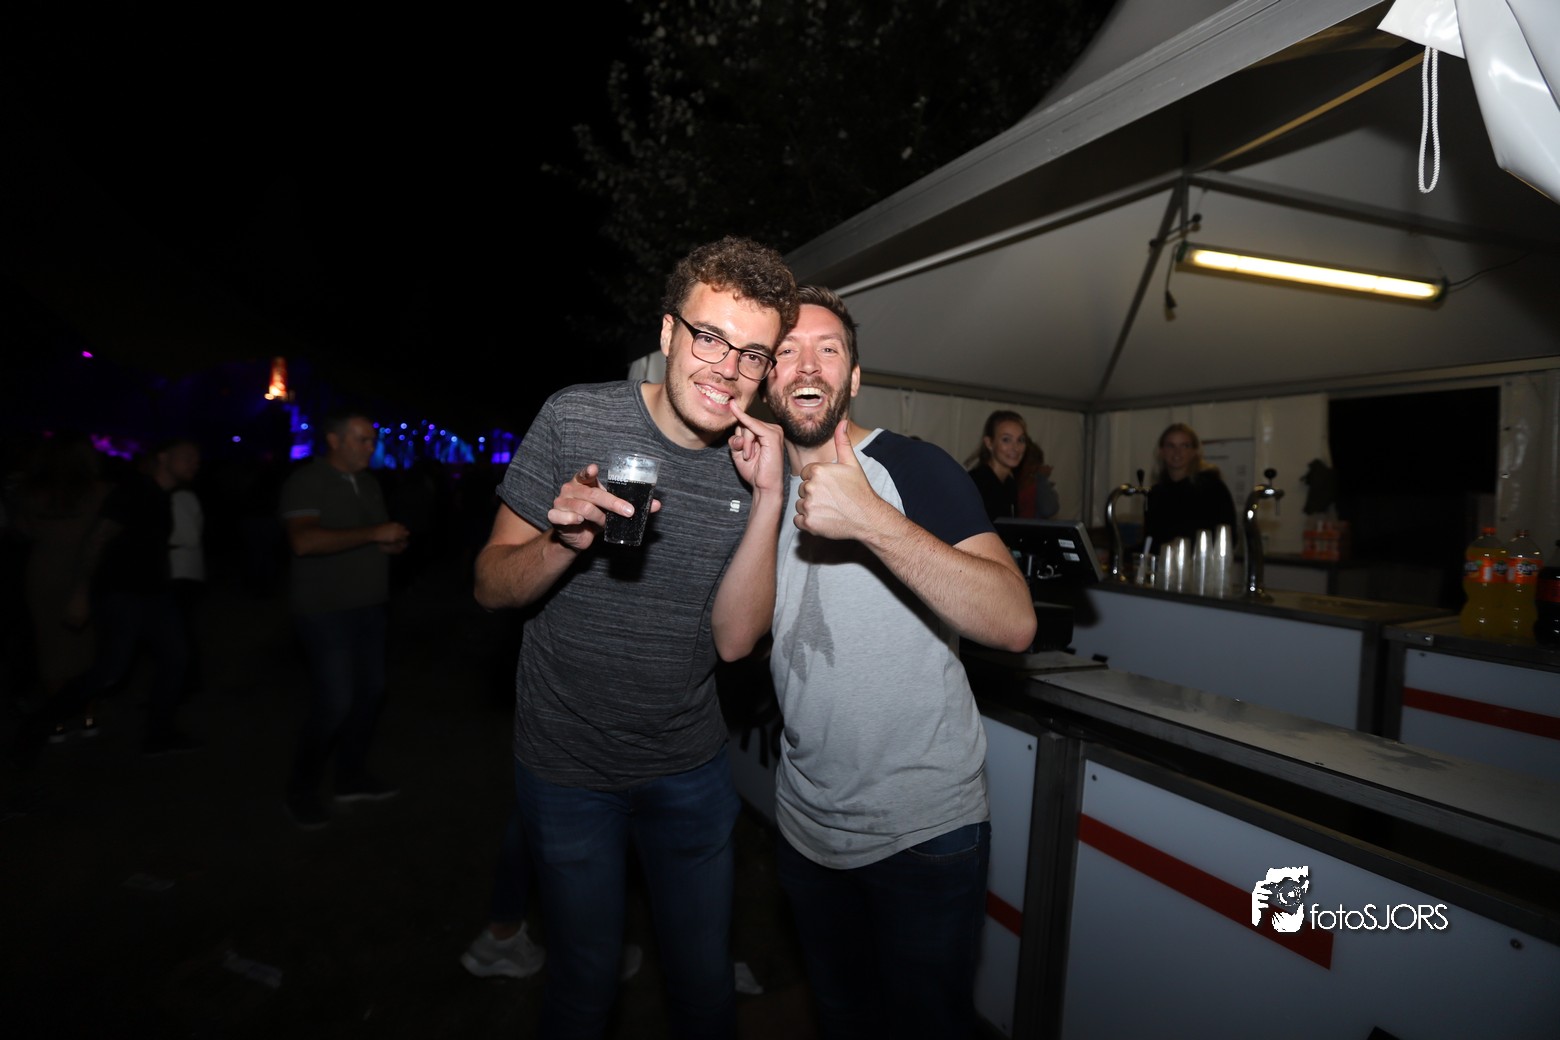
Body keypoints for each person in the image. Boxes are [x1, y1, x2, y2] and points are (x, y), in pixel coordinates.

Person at [472, 235, 797, 1039]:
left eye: (752, 355)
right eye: (710, 337)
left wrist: (769, 499)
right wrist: (562, 545)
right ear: (667, 333)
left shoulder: (757, 461)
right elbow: (489, 586)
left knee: (703, 987)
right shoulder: (575, 415)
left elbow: (736, 644)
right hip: (566, 767)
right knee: (584, 985)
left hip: (688, 768)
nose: (727, 369)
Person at [763, 285, 1037, 1040]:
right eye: (786, 350)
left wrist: (872, 521)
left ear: (853, 377)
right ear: (765, 375)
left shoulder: (915, 468)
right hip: (806, 825)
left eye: (828, 349)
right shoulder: (758, 484)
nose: (807, 364)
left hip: (924, 831)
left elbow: (1014, 620)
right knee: (842, 1018)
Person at [13, 437, 202, 760]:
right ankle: (38, 724)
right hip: (123, 594)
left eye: (197, 458)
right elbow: (98, 539)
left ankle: (159, 734)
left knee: (175, 659)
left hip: (155, 594)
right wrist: (81, 593)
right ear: (163, 457)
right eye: (187, 456)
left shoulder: (161, 495)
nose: (194, 464)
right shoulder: (134, 491)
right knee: (110, 670)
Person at [279, 411, 410, 829]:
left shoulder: (369, 482)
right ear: (334, 441)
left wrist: (388, 545)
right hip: (324, 610)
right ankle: (300, 791)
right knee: (335, 701)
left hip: (370, 606)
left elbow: (368, 536)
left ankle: (349, 778)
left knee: (370, 694)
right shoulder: (307, 480)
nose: (371, 447)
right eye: (362, 440)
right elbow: (303, 541)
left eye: (372, 440)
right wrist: (374, 534)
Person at [1141, 422, 1237, 549]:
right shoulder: (1155, 494)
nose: (1177, 452)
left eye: (1184, 446)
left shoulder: (1213, 489)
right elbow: (1150, 542)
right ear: (1162, 451)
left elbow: (1227, 537)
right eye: (1171, 446)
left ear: (1194, 452)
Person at [966, 409, 1027, 522]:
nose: (1015, 447)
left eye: (1020, 440)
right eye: (1006, 440)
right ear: (989, 443)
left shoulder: (1009, 484)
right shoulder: (977, 483)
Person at [1015, 440, 1060, 520]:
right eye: (1029, 464)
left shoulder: (1040, 485)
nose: (1032, 469)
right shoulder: (1009, 483)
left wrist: (1042, 480)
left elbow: (1049, 510)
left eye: (1035, 464)